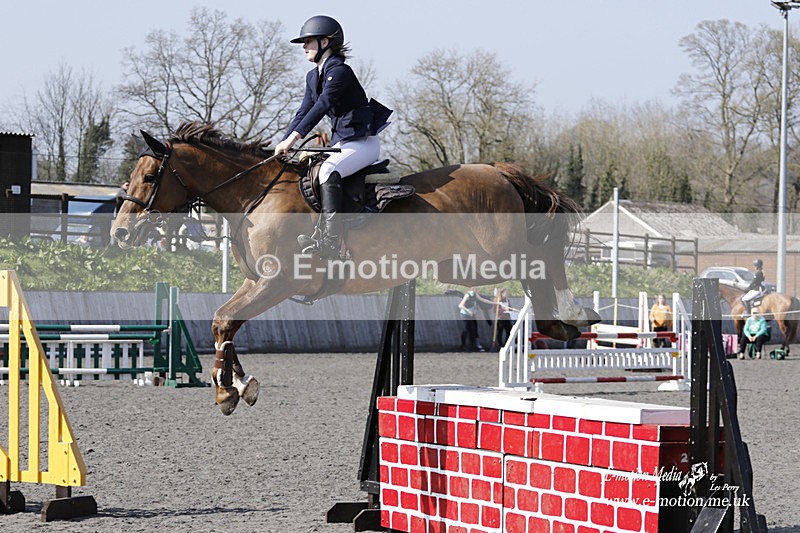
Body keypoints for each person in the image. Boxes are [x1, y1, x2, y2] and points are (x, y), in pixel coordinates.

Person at [275, 15, 392, 259]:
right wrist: (283, 141)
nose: (304, 46)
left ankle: (330, 242)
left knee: (327, 171)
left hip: (363, 143)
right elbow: (303, 111)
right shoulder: (312, 77)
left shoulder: (340, 71)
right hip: (342, 143)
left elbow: (323, 105)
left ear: (325, 42)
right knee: (311, 171)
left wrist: (293, 140)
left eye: (308, 41)